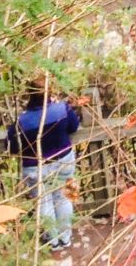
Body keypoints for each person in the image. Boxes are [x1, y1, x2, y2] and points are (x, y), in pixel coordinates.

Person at [6, 77, 81, 250]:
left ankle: (52, 241)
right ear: (50, 92)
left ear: (29, 94)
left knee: (44, 202)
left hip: (35, 167)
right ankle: (66, 237)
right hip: (63, 160)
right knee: (64, 198)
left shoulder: (22, 121)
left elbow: (12, 146)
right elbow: (74, 126)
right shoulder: (61, 109)